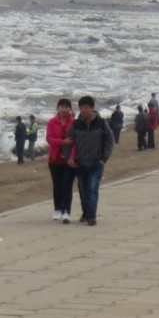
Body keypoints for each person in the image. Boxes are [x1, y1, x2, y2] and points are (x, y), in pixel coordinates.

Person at [70, 97, 113, 227]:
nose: (83, 110)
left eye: (86, 108)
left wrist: (104, 158)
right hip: (80, 163)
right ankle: (86, 212)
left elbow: (110, 140)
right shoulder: (76, 124)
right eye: (81, 108)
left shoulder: (101, 123)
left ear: (92, 108)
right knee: (83, 189)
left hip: (96, 163)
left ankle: (91, 216)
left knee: (92, 187)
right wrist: (69, 157)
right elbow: (69, 141)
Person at [45, 98, 77, 222]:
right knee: (57, 185)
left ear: (70, 109)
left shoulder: (74, 122)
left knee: (67, 185)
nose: (64, 109)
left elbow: (76, 139)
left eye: (66, 107)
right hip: (54, 158)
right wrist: (63, 142)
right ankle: (57, 209)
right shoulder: (52, 122)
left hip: (69, 159)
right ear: (57, 108)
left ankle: (66, 211)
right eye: (61, 107)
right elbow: (49, 139)